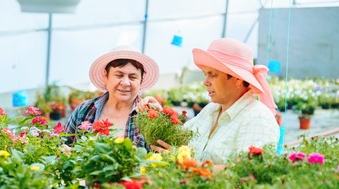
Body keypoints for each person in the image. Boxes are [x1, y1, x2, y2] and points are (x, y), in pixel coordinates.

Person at [148, 38, 280, 165]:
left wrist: (187, 165)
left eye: (213, 75)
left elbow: (245, 172)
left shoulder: (257, 117)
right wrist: (158, 113)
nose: (205, 82)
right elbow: (178, 136)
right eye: (205, 74)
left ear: (238, 79)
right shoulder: (211, 110)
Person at [64, 45, 160, 149]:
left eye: (133, 77)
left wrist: (161, 120)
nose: (125, 83)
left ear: (140, 81)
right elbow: (63, 147)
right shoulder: (84, 110)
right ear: (106, 76)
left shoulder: (148, 116)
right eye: (119, 75)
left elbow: (165, 157)